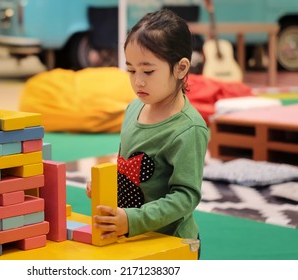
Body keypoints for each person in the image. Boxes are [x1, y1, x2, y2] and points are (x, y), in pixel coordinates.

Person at [86, 8, 209, 258]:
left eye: (148, 71)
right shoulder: (134, 108)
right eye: (131, 70)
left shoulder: (188, 129)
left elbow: (186, 196)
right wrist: (107, 187)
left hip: (172, 243)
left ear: (181, 68)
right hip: (133, 237)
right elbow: (127, 167)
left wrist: (132, 220)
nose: (138, 81)